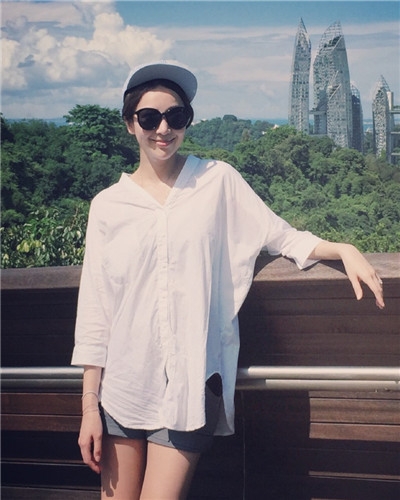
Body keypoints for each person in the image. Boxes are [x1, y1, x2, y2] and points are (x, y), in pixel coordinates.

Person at [71, 61, 385, 500]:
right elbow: (96, 311)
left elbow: (280, 235)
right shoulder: (108, 206)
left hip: (191, 384)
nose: (163, 128)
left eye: (176, 116)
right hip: (123, 387)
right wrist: (90, 406)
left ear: (187, 121)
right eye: (149, 117)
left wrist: (342, 249)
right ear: (129, 123)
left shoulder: (216, 181)